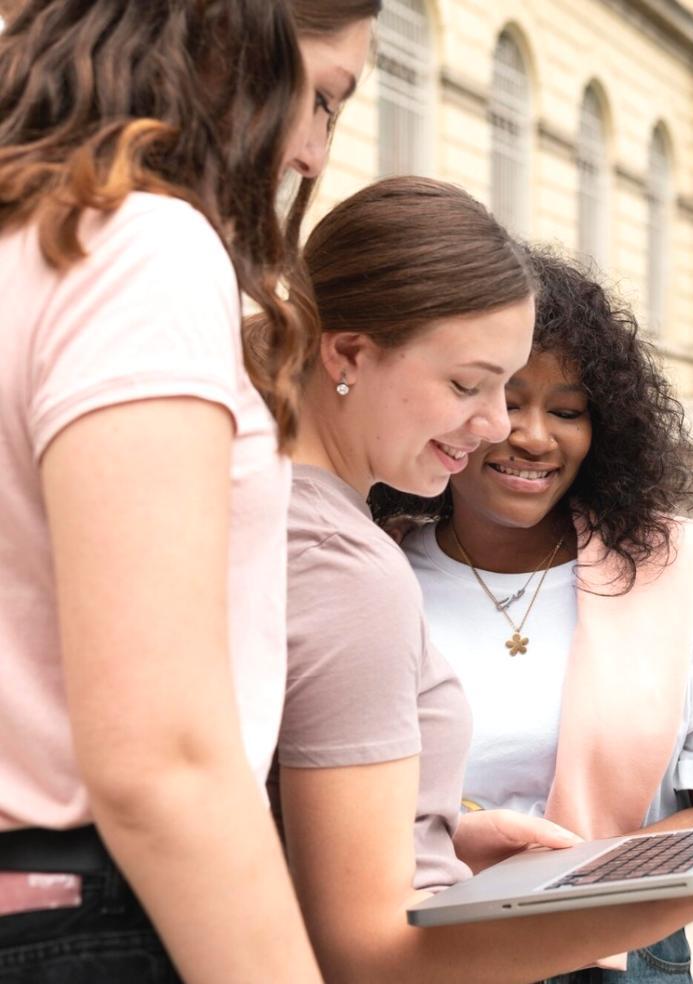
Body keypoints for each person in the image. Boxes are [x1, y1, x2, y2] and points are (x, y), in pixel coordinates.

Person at [267, 175, 693, 984]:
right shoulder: (355, 563)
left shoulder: (674, 569)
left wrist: (495, 857)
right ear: (348, 356)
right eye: (474, 387)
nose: (510, 428)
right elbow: (365, 941)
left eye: (564, 409)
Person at [0, 1, 375, 980]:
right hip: (90, 912)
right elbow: (159, 762)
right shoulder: (135, 247)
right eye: (323, 97)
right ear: (229, 34)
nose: (312, 155)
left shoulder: (26, 238)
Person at [375, 247, 693, 982]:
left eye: (567, 411)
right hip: (420, 947)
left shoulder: (674, 568)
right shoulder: (372, 571)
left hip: (626, 948)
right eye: (506, 401)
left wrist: (575, 877)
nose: (535, 436)